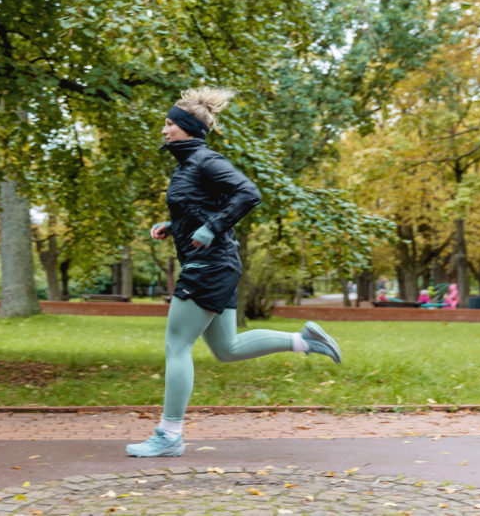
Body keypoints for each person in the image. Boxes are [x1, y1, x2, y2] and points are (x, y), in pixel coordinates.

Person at [126, 87, 342, 458]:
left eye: (169, 124)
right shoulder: (188, 166)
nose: (163, 130)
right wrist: (173, 226)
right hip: (217, 265)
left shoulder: (206, 161)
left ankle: (169, 435)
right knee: (227, 349)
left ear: (188, 127)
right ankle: (306, 340)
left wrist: (211, 228)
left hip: (209, 266)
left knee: (177, 346)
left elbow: (248, 193)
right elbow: (200, 207)